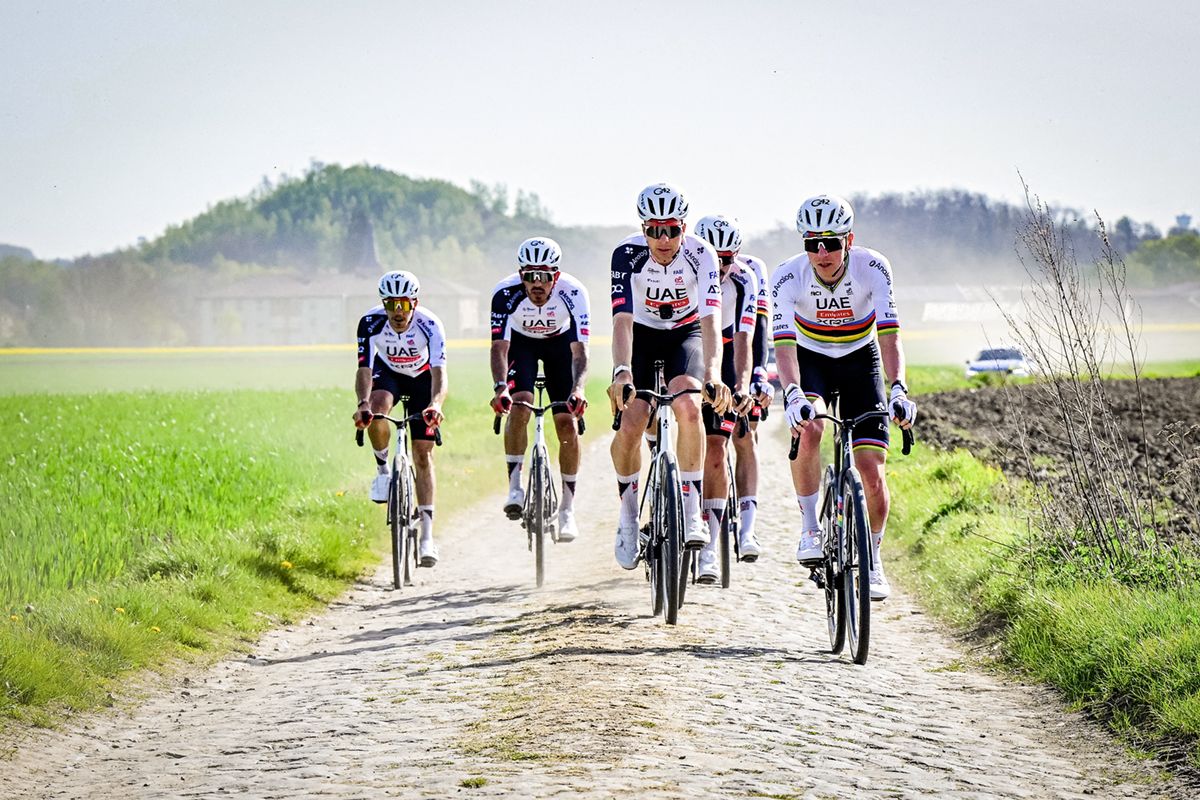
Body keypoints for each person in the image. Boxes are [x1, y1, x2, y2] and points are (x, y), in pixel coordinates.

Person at [770, 195, 916, 600]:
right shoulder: (786, 276)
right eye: (812, 243)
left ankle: (872, 555)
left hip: (859, 359)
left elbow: (889, 334)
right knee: (811, 426)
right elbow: (783, 346)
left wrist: (899, 386)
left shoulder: (873, 267)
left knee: (871, 470)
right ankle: (810, 529)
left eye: (831, 243)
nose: (821, 253)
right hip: (810, 358)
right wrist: (794, 393)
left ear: (849, 239)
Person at [608, 183, 732, 570]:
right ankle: (628, 519)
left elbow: (711, 323)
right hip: (642, 336)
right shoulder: (626, 255)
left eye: (672, 230)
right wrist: (621, 370)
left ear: (684, 227)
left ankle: (692, 511)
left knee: (690, 408)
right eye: (654, 230)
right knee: (631, 421)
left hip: (685, 334)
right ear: (643, 228)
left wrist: (713, 372)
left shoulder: (702, 255)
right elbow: (622, 321)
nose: (663, 239)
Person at [489, 237, 591, 541]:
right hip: (522, 346)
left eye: (544, 277)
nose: (537, 284)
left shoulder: (573, 293)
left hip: (561, 347)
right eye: (530, 276)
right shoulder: (504, 294)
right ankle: (515, 487)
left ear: (555, 277)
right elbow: (499, 348)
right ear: (521, 275)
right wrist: (499, 387)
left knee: (565, 421)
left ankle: (567, 509)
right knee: (519, 405)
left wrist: (579, 389)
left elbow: (580, 352)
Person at [352, 270, 449, 568]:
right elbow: (365, 369)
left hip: (422, 379)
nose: (397, 311)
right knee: (378, 408)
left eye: (404, 304)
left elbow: (439, 373)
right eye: (391, 304)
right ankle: (383, 470)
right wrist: (363, 403)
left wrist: (435, 403)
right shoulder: (370, 323)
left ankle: (427, 537)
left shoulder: (430, 325)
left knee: (422, 454)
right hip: (389, 374)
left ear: (414, 303)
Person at [690, 215, 761, 582]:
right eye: (712, 257)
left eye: (727, 259)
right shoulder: (680, 268)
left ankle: (709, 551)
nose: (718, 267)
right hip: (687, 352)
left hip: (729, 355)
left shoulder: (745, 279)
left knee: (718, 447)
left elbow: (746, 341)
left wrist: (745, 384)